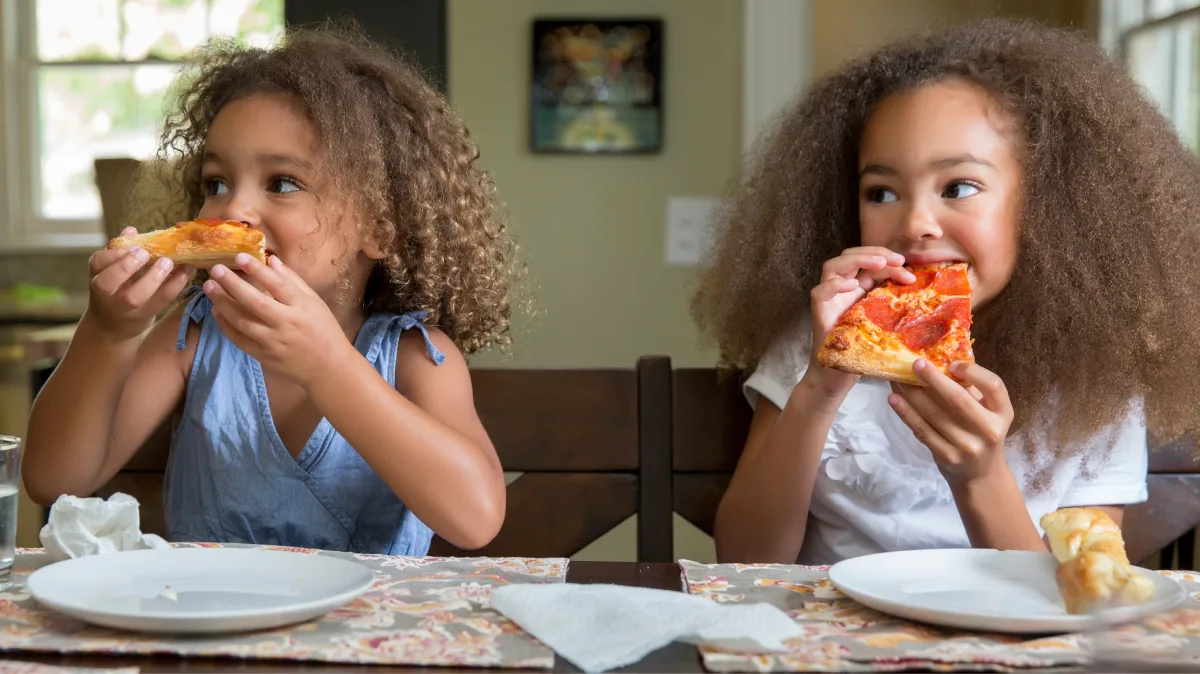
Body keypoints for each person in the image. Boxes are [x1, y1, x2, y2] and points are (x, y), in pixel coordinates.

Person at [690, 19, 1200, 565]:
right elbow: (744, 558)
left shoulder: (1096, 378)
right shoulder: (813, 343)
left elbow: (1077, 590)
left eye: (959, 187)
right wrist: (818, 389)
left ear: (1050, 208)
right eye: (881, 191)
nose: (915, 224)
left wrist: (979, 474)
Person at [24, 23, 521, 555]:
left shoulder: (414, 357)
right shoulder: (193, 336)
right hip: (213, 625)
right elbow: (55, 481)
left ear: (381, 227)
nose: (232, 210)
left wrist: (327, 365)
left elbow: (475, 519)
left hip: (361, 634)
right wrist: (109, 330)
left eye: (282, 183)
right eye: (216, 183)